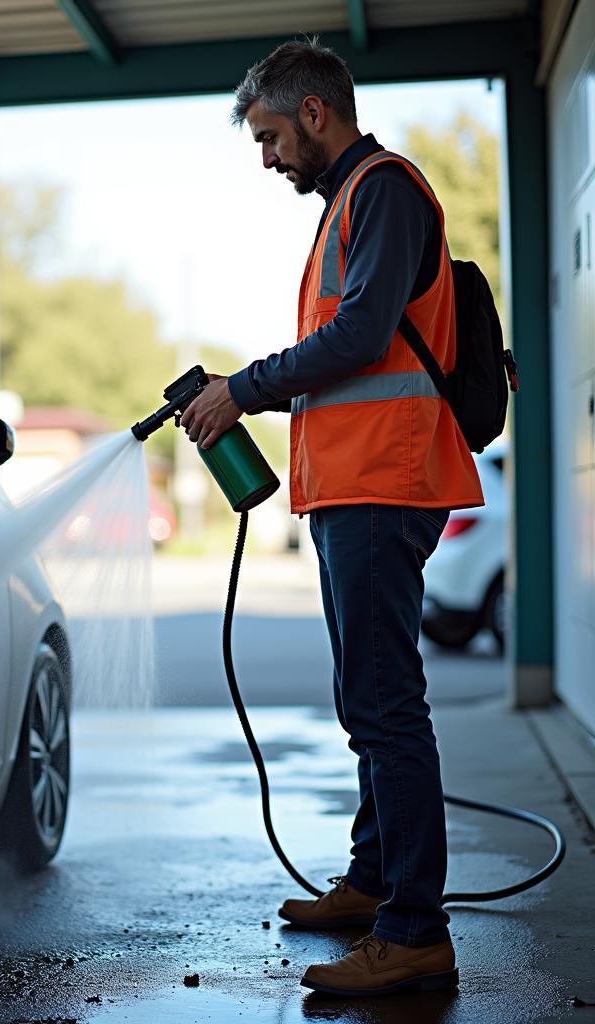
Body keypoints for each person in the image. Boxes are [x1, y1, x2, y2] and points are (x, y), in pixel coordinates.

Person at [180, 38, 484, 997]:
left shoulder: (384, 190)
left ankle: (414, 928)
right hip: (352, 487)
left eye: (271, 137)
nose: (268, 159)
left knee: (386, 702)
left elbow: (357, 336)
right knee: (367, 696)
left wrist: (243, 389)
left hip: (385, 484)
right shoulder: (346, 207)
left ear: (315, 114)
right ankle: (371, 881)